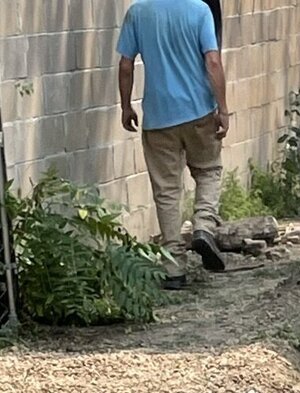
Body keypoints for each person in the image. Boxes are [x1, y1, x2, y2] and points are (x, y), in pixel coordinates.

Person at [117, 0, 231, 288]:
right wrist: (223, 108)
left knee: (166, 191)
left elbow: (126, 65)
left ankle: (173, 269)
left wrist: (126, 106)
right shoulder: (199, 10)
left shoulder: (138, 12)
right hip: (198, 112)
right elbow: (213, 61)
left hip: (158, 118)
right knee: (208, 171)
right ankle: (204, 226)